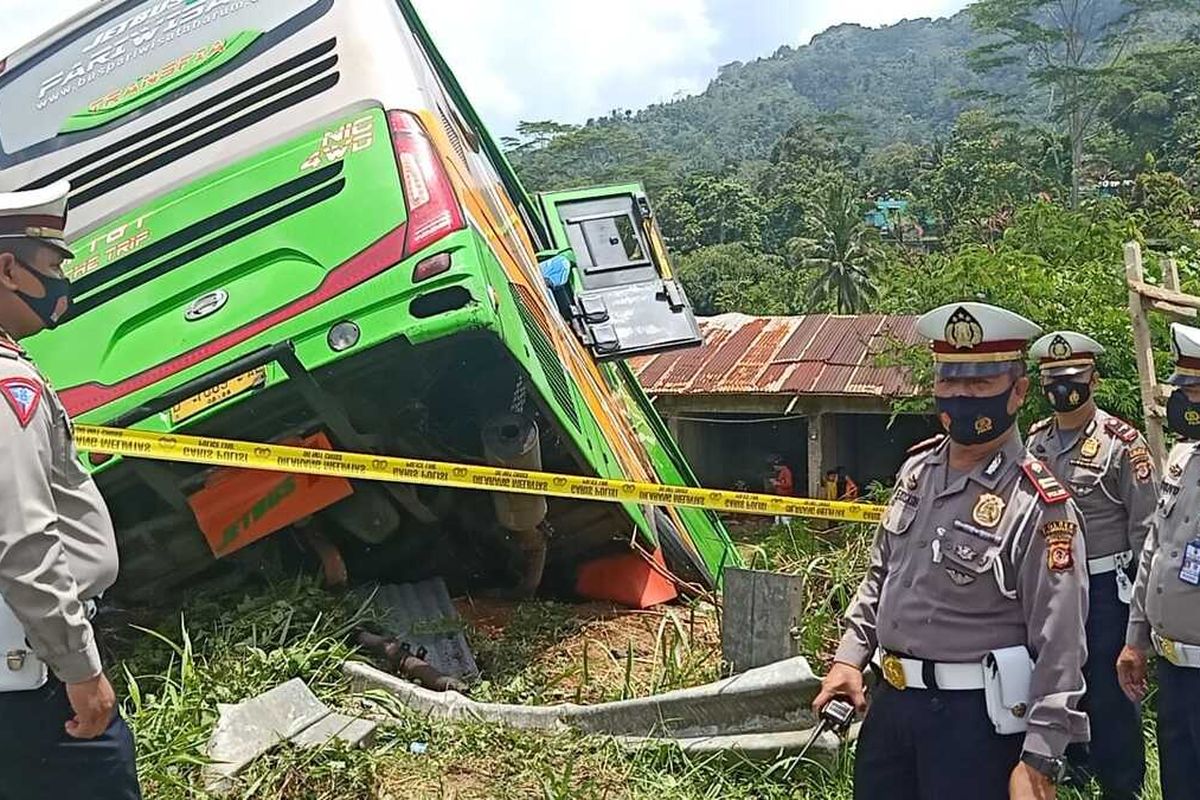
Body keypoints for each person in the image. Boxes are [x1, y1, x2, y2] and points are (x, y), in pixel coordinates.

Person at [813, 302, 1089, 800]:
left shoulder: (1039, 505)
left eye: (981, 384)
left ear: (1018, 392)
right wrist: (850, 659)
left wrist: (1040, 758)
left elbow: (1061, 642)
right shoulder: (917, 472)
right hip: (891, 708)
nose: (961, 396)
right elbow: (882, 576)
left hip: (974, 723)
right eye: (949, 381)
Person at [0, 183, 141, 798]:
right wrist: (80, 670)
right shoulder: (9, 386)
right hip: (33, 683)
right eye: (53, 265)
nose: (61, 282)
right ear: (8, 269)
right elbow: (25, 540)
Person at [1026, 331, 1156, 800]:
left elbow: (1147, 535)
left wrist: (1142, 622)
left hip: (1106, 590)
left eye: (1074, 379)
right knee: (1060, 684)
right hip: (1052, 588)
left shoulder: (1122, 444)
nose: (1064, 389)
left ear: (1093, 380)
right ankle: (1072, 776)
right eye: (1054, 381)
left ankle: (1123, 787)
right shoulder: (1034, 441)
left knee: (1111, 696)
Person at [1118, 322, 1200, 800]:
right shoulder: (1182, 458)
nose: (1182, 399)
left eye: (1192, 388)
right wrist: (1136, 639)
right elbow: (1155, 550)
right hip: (1175, 671)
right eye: (1180, 387)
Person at [767, 454, 794, 527]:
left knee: (785, 516)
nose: (774, 468)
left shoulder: (786, 472)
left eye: (774, 466)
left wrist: (777, 483)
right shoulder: (782, 472)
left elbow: (789, 484)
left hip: (785, 496)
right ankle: (778, 526)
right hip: (779, 496)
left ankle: (786, 529)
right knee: (778, 513)